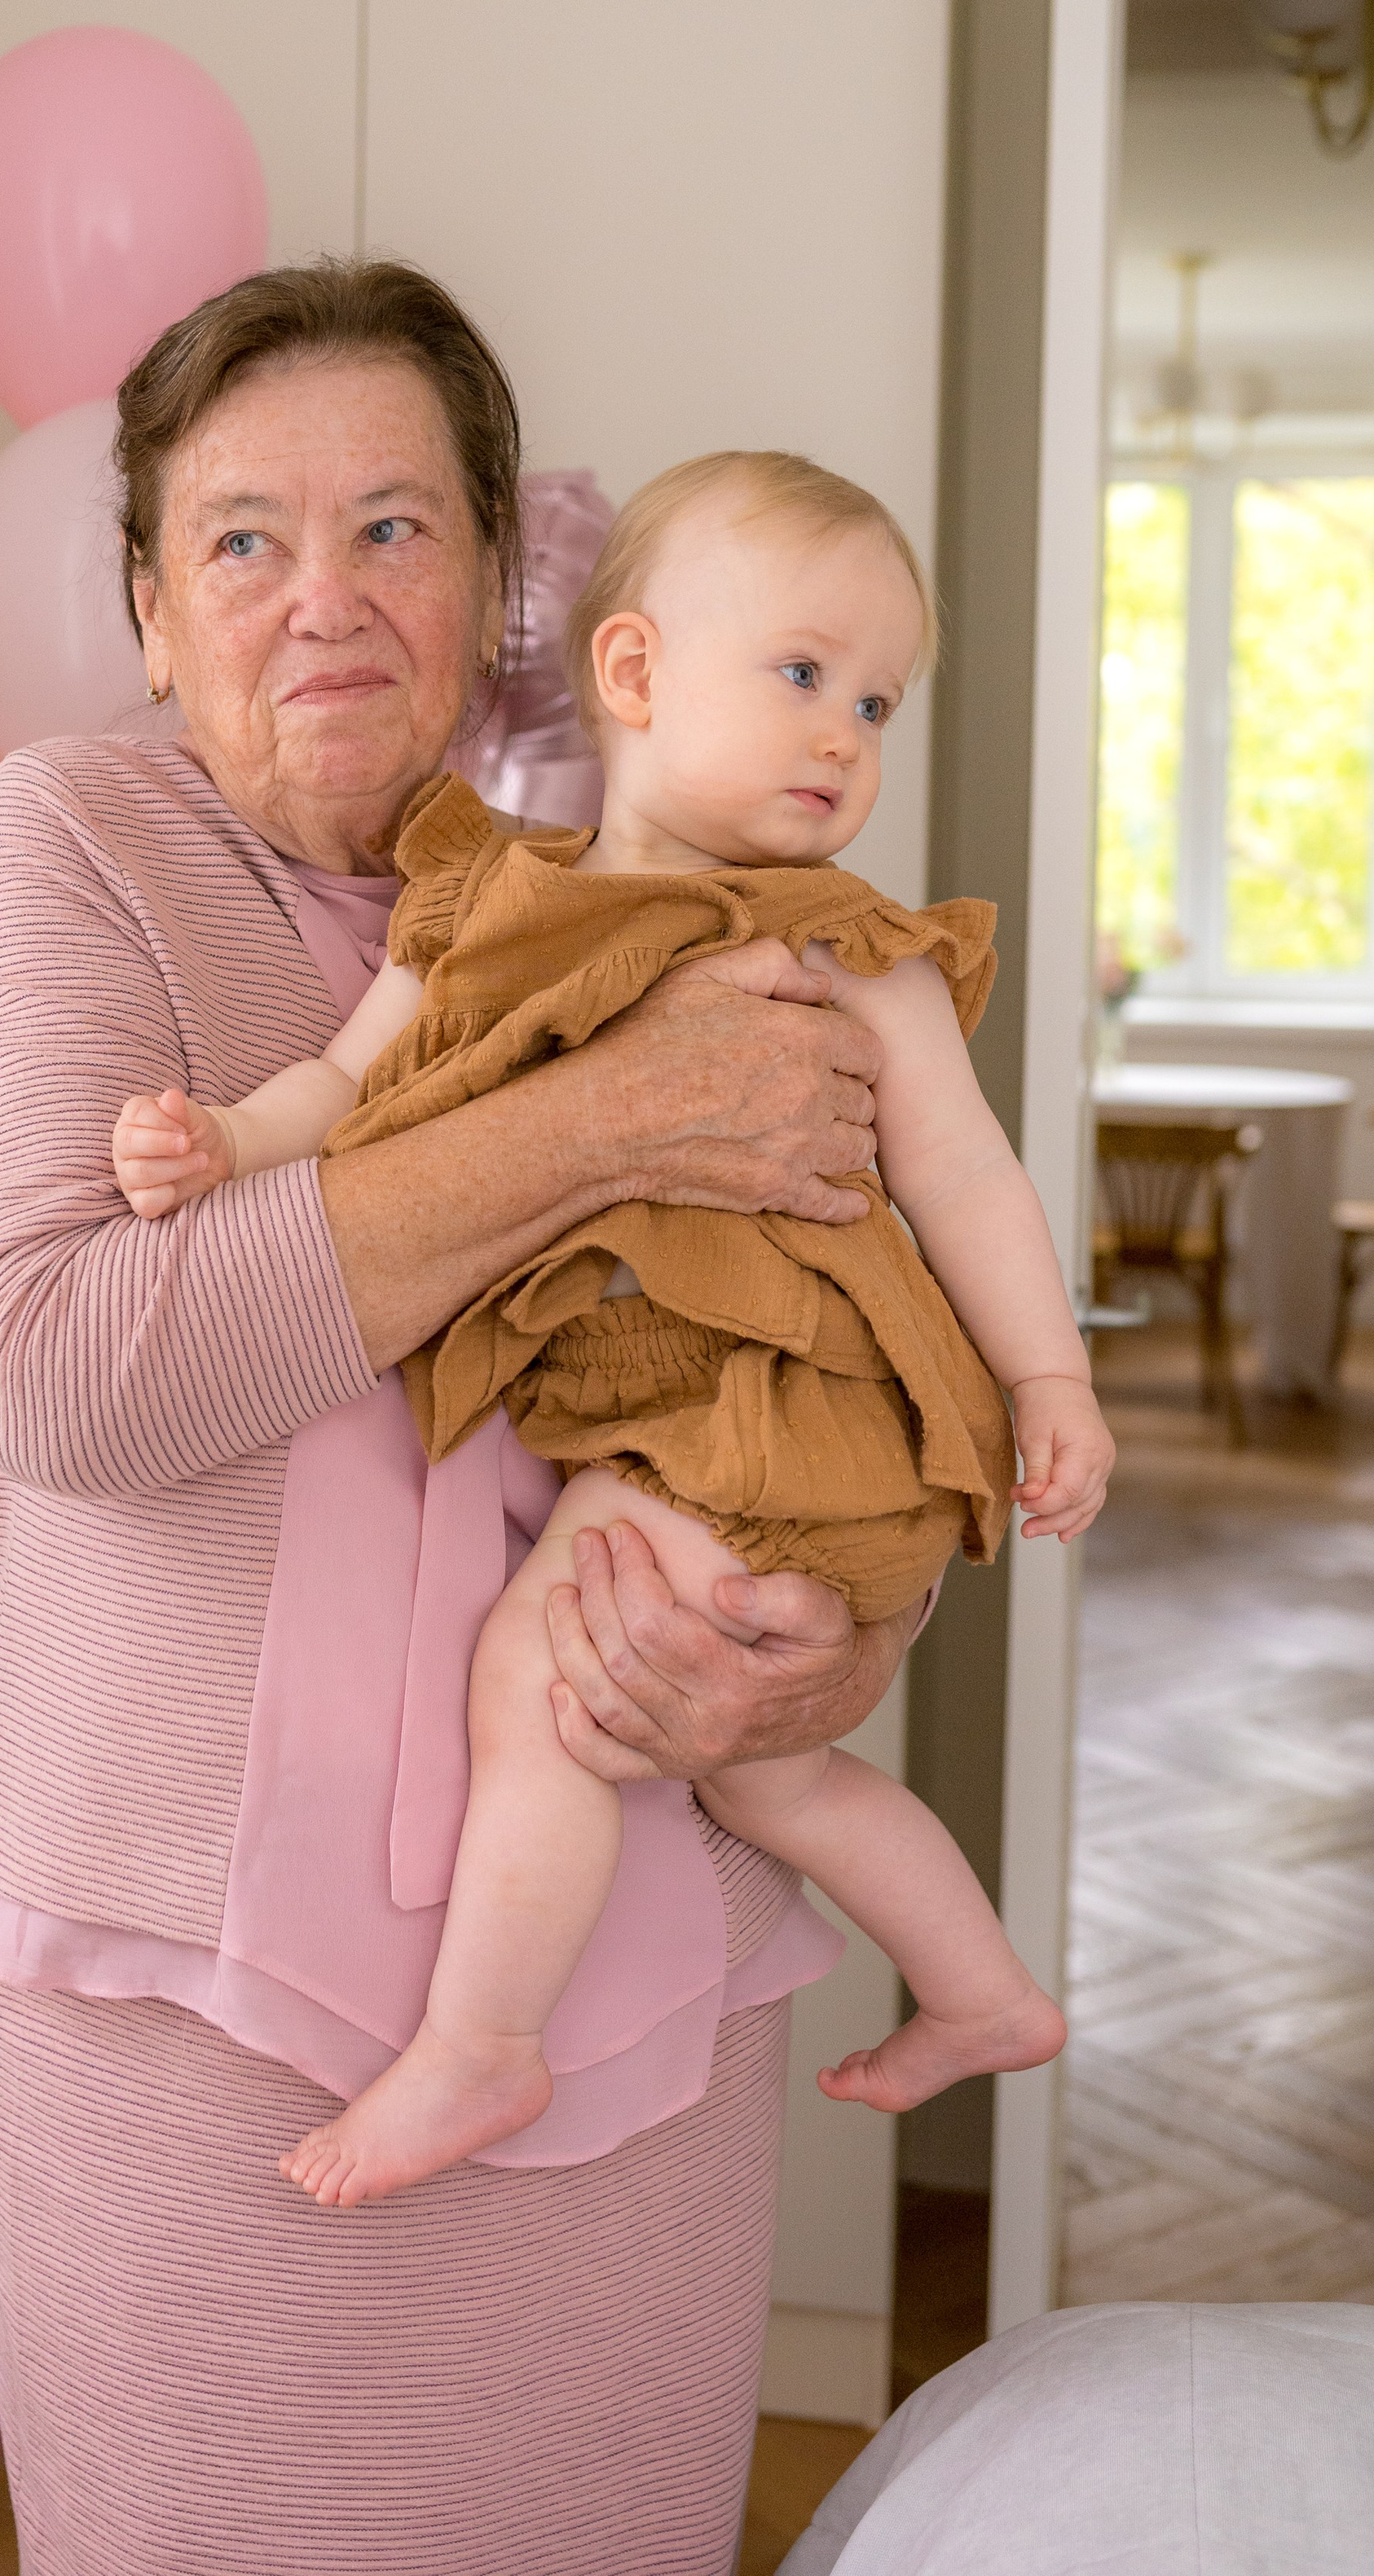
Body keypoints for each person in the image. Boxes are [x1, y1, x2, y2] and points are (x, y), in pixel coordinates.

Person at [0, 262, 936, 2576]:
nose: (323, 596)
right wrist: (593, 1136)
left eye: (396, 526)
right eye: (244, 539)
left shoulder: (679, 888)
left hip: (621, 1934)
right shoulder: (80, 833)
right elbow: (58, 1366)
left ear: (500, 590)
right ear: (152, 613)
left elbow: (857, 1354)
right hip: (179, 1985)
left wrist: (836, 1647)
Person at [114, 451, 1108, 2210]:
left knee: (543, 1677)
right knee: (776, 1777)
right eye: (802, 676)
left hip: (764, 1415)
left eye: (875, 701)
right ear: (634, 675)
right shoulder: (501, 907)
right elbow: (348, 1086)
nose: (843, 738)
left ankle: (482, 2044)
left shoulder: (841, 951)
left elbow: (965, 1178)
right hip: (706, 1431)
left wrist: (1048, 1377)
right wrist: (221, 1144)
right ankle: (979, 1991)